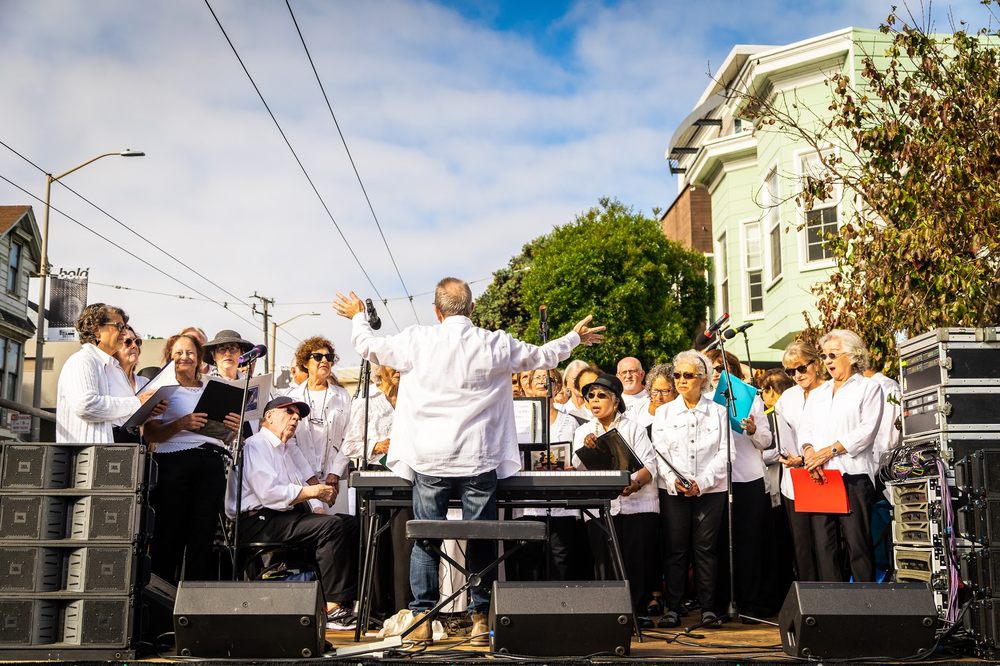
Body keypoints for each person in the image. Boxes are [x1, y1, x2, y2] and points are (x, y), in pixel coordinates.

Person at [332, 277, 604, 643]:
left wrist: (358, 316)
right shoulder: (493, 343)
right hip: (479, 460)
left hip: (430, 460)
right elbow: (544, 356)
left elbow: (367, 346)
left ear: (436, 311)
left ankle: (422, 618)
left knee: (425, 540)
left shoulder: (417, 340)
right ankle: (479, 618)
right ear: (472, 309)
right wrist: (574, 337)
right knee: (481, 537)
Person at [227, 395, 359, 625]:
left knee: (351, 523)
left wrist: (317, 507)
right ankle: (333, 607)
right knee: (332, 527)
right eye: (289, 412)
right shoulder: (256, 444)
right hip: (257, 521)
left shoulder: (286, 449)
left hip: (280, 516)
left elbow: (302, 483)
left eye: (298, 416)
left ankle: (355, 599)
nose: (295, 418)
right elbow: (270, 493)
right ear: (268, 416)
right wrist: (315, 493)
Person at [143, 333, 242, 583]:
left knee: (203, 536)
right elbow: (150, 433)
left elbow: (226, 437)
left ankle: (194, 605)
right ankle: (161, 602)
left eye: (190, 353)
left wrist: (233, 427)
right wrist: (181, 424)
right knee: (170, 534)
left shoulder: (213, 386)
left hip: (211, 462)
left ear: (199, 359)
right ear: (169, 357)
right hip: (174, 462)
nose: (184, 357)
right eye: (178, 353)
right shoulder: (163, 388)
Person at [651, 350, 731, 629]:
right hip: (674, 491)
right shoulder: (663, 412)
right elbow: (658, 454)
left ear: (703, 379)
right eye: (677, 375)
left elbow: (724, 453)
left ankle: (709, 608)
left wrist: (702, 482)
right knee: (675, 549)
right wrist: (676, 482)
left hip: (710, 491)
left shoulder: (718, 412)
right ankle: (673, 608)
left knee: (706, 549)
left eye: (688, 375)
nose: (681, 380)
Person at [572, 373, 658, 625]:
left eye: (601, 396)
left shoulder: (633, 427)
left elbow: (649, 465)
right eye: (590, 397)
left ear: (616, 401)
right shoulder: (584, 431)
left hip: (636, 505)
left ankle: (635, 613)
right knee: (603, 560)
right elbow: (577, 469)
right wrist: (586, 451)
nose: (595, 401)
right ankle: (609, 614)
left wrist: (634, 482)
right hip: (601, 507)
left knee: (635, 560)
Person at [799, 329, 883, 583]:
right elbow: (806, 428)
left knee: (857, 544)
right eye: (824, 356)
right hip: (821, 476)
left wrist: (828, 451)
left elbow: (866, 431)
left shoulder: (868, 388)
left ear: (853, 355)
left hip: (852, 475)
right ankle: (832, 608)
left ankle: (866, 607)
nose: (828, 361)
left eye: (833, 355)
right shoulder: (818, 393)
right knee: (825, 546)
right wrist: (810, 453)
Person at [705, 348, 772, 618]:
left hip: (747, 476)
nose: (718, 374)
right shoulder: (706, 402)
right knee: (719, 543)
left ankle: (750, 602)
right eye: (713, 369)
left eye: (723, 368)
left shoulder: (750, 398)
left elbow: (766, 441)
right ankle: (721, 602)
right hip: (718, 480)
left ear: (732, 370)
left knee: (749, 543)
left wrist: (753, 430)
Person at [507, 368, 590, 582]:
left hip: (562, 502)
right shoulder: (517, 420)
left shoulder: (570, 422)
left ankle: (561, 609)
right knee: (529, 558)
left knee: (561, 557)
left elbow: (578, 458)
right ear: (528, 385)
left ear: (559, 386)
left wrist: (573, 466)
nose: (544, 383)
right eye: (538, 379)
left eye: (550, 379)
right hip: (528, 500)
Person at [342, 364, 411, 614]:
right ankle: (378, 610)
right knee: (377, 543)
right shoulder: (366, 401)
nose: (397, 370)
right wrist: (377, 445)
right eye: (392, 365)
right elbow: (349, 445)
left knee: (406, 544)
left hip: (407, 476)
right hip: (375, 478)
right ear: (379, 368)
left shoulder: (414, 398)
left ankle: (406, 609)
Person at [56, 303, 157, 444]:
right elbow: (86, 406)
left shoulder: (114, 368)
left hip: (117, 453)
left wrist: (148, 409)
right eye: (119, 326)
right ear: (97, 330)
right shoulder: (82, 361)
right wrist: (137, 402)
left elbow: (121, 414)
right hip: (88, 456)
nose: (123, 332)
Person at [774, 341, 826, 582]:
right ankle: (809, 600)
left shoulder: (828, 392)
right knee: (801, 545)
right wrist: (790, 458)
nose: (796, 375)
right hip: (794, 480)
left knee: (826, 543)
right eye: (790, 371)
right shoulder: (787, 397)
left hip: (826, 475)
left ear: (815, 364)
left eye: (801, 368)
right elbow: (782, 433)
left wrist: (809, 458)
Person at [284, 337, 353, 494]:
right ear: (305, 363)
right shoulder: (293, 397)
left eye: (328, 357)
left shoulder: (342, 396)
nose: (324, 361)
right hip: (300, 479)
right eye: (317, 357)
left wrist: (335, 472)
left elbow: (349, 437)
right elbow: (290, 442)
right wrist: (310, 477)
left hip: (334, 480)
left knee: (337, 519)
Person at [757, 367, 796, 613]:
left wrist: (761, 453)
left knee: (782, 544)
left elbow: (779, 449)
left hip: (781, 487)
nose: (762, 396)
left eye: (764, 390)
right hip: (778, 485)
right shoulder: (773, 413)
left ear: (772, 391)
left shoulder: (777, 414)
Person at [109, 324, 152, 443]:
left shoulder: (145, 383)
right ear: (114, 348)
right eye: (128, 342)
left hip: (140, 446)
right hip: (113, 444)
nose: (134, 346)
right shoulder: (106, 380)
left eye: (137, 342)